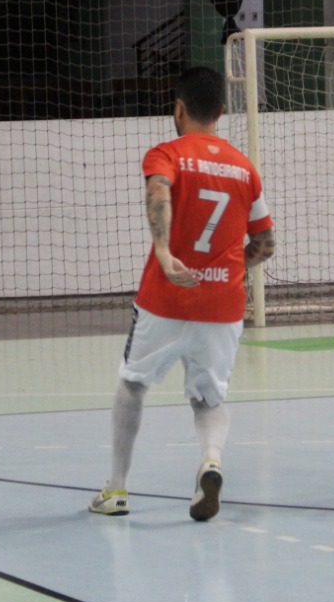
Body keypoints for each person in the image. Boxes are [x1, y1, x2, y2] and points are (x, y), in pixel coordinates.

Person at [88, 66, 275, 521]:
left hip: (166, 298)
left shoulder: (166, 153)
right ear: (222, 112)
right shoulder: (245, 169)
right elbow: (266, 244)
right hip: (223, 304)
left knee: (132, 385)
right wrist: (227, 268)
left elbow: (159, 189)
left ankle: (116, 489)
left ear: (179, 108)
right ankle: (211, 462)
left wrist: (165, 252)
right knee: (209, 399)